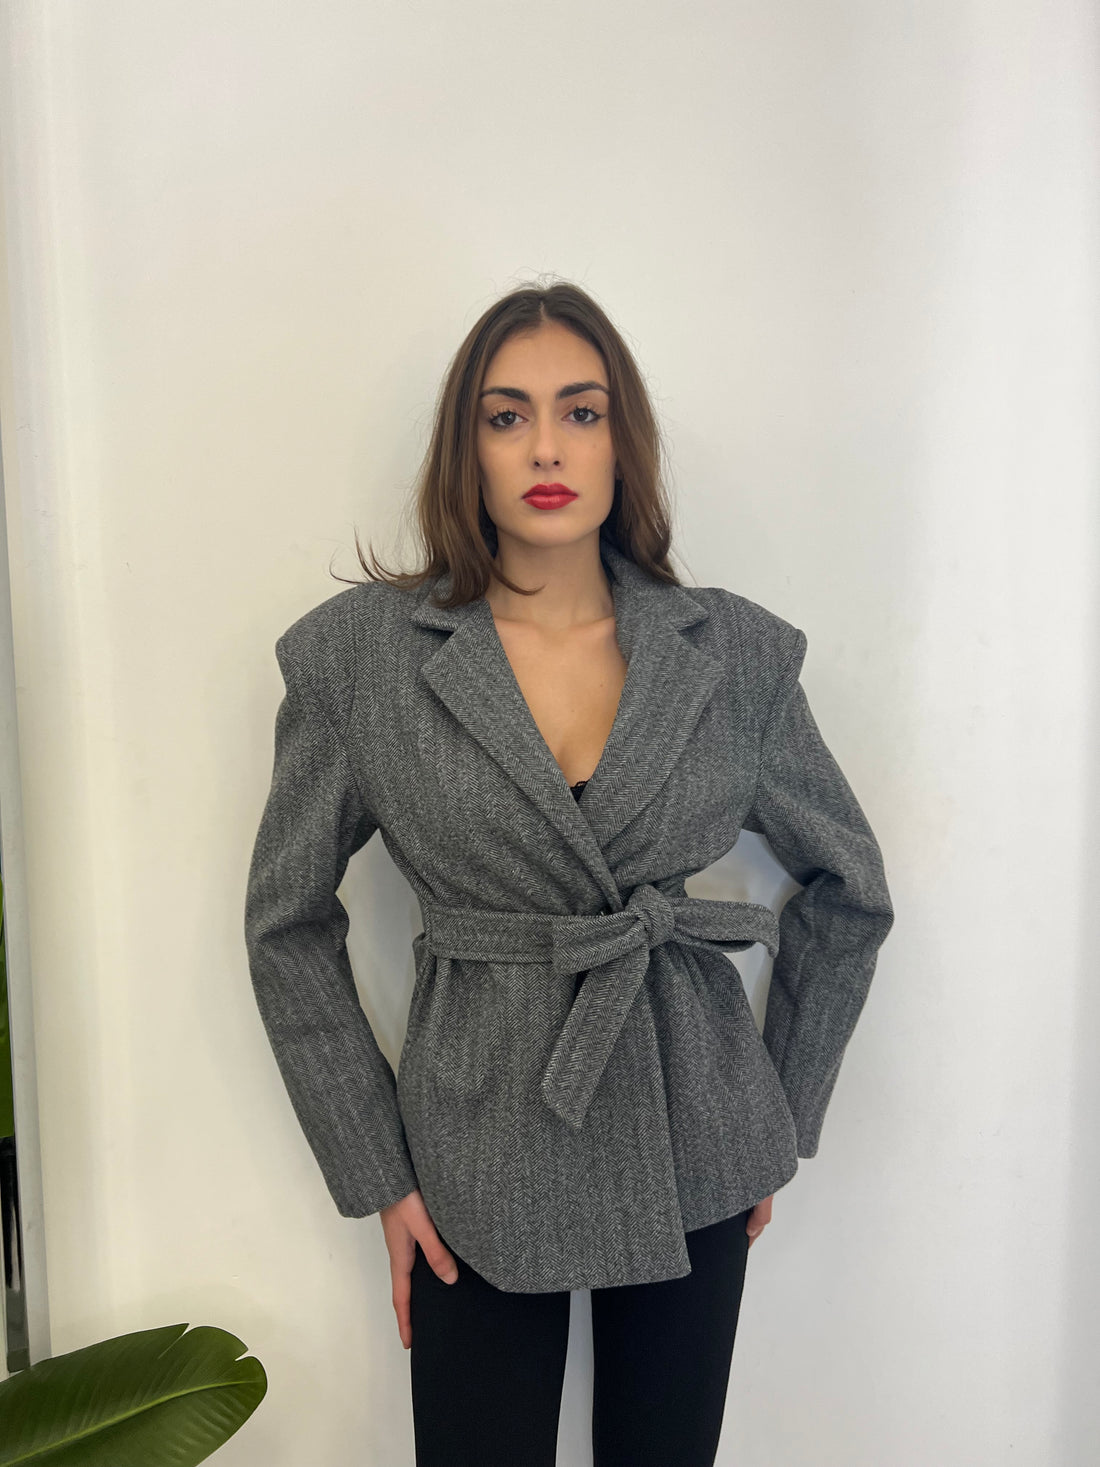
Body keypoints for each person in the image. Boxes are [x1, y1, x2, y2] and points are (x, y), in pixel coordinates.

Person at [244, 280, 895, 1466]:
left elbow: (849, 887)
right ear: (466, 449)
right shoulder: (361, 663)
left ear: (620, 440)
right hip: (471, 1145)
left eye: (580, 412)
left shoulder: (733, 654)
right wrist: (376, 1170)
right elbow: (284, 921)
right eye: (506, 416)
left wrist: (777, 1112)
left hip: (694, 1128)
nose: (545, 447)